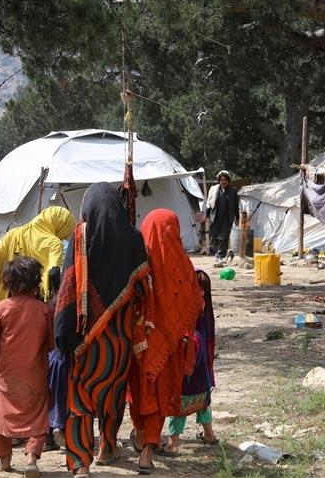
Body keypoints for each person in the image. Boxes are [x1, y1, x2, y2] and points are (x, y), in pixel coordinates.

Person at [53, 183, 152, 478]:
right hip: (119, 342)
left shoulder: (81, 236)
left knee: (80, 402)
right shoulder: (133, 239)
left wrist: (62, 334)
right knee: (112, 397)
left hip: (86, 339)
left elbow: (69, 285)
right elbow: (143, 291)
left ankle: (81, 465)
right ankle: (107, 448)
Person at [130, 209, 203, 475]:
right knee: (160, 397)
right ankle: (147, 452)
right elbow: (196, 303)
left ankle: (140, 437)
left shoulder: (138, 264)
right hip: (169, 346)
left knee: (140, 393)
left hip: (140, 344)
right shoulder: (184, 265)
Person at [0, 256, 54, 478]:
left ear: (8, 282)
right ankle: (31, 459)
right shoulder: (44, 310)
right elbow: (52, 344)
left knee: (3, 414)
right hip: (35, 374)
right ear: (36, 282)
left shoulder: (1, 308)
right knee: (38, 414)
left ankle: (5, 460)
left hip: (6, 375)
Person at [0, 206, 75, 328]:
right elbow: (53, 272)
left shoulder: (14, 233)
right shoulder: (54, 243)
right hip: (35, 298)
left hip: (10, 293)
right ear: (60, 224)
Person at [159, 269, 219, 456]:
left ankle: (172, 444)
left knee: (179, 403)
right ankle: (209, 435)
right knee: (202, 402)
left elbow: (190, 332)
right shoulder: (204, 307)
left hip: (190, 362)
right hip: (201, 364)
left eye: (198, 288)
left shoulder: (193, 306)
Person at [205, 170, 239, 261]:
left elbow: (236, 205)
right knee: (214, 236)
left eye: (225, 180)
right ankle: (220, 252)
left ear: (228, 181)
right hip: (215, 217)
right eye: (222, 180)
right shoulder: (214, 190)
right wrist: (207, 215)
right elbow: (209, 203)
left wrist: (237, 217)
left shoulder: (232, 191)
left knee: (224, 237)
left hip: (227, 218)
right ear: (219, 181)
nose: (223, 182)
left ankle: (220, 254)